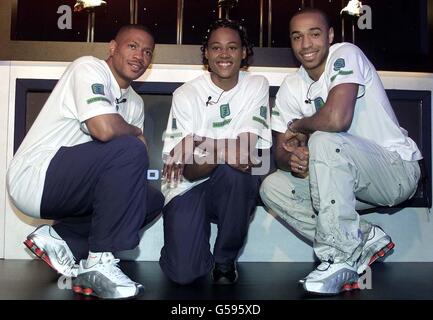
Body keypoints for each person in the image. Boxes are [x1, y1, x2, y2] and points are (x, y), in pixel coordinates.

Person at [260, 8, 422, 295]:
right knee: (273, 186)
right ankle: (362, 236)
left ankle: (338, 256)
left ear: (330, 36)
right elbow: (281, 154)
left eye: (315, 34)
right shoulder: (291, 86)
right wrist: (295, 160)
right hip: (343, 179)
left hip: (395, 171)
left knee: (324, 139)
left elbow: (337, 120)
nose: (306, 44)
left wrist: (300, 125)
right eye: (297, 37)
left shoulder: (345, 53)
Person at [6, 24, 164, 299]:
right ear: (112, 48)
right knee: (128, 147)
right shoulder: (89, 68)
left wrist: (130, 135)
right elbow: (103, 128)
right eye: (132, 46)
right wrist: (136, 132)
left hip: (73, 190)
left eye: (147, 51)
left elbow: (125, 178)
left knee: (149, 201)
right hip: (36, 178)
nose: (140, 55)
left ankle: (62, 239)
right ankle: (98, 262)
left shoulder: (135, 103)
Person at [159, 19, 272, 285]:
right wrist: (222, 151)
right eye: (216, 48)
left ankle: (224, 260)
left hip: (230, 185)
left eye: (232, 47)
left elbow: (245, 156)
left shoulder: (256, 84)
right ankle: (184, 247)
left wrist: (197, 140)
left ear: (244, 52)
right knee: (184, 274)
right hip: (187, 186)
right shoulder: (185, 94)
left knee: (237, 174)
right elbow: (187, 170)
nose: (224, 54)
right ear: (206, 53)